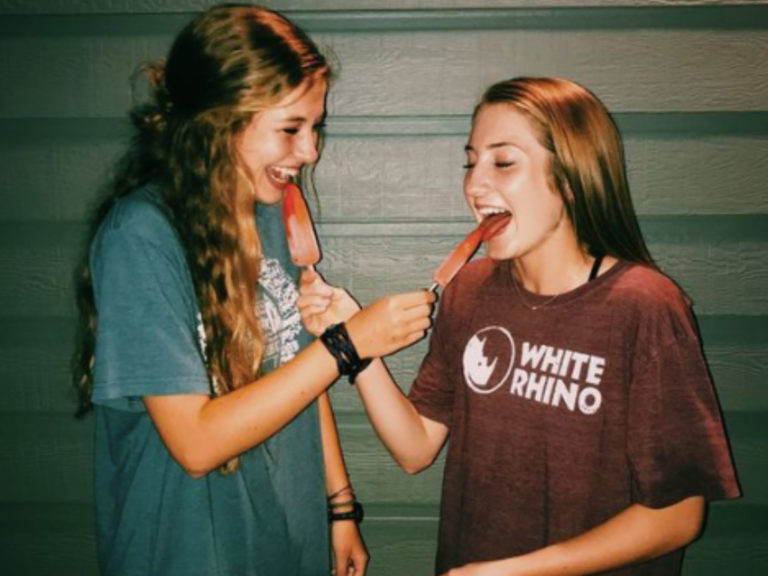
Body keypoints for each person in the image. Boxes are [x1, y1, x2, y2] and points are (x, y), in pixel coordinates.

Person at [298, 76, 741, 576]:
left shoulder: (645, 307)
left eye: (503, 162)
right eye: (470, 162)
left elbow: (679, 515)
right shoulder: (470, 291)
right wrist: (356, 345)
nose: (474, 185)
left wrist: (516, 571)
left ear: (571, 177)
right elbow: (415, 448)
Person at [71, 5, 435, 576]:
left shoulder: (270, 211)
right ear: (218, 120)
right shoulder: (141, 237)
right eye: (291, 128)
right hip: (186, 552)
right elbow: (195, 444)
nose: (310, 151)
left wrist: (339, 504)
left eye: (315, 128)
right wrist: (347, 345)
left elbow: (295, 367)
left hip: (283, 538)